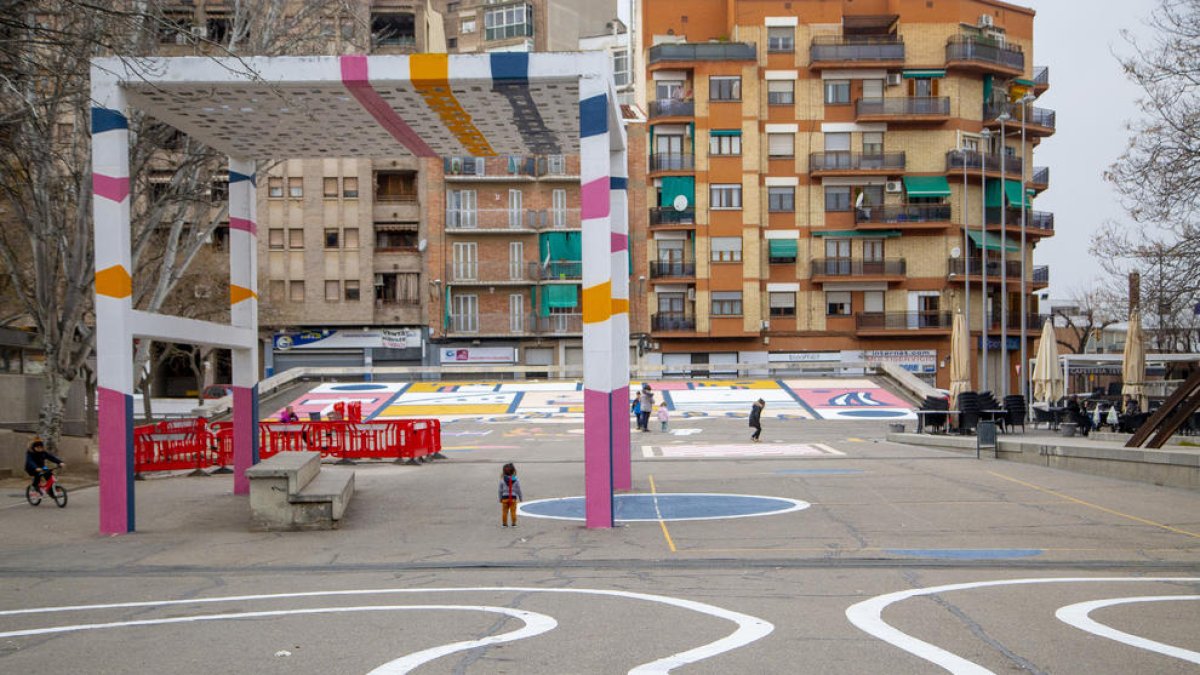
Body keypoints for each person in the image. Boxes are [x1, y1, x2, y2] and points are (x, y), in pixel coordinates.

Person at [499, 462, 523, 527]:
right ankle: (514, 523)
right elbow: (519, 490)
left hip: (504, 498)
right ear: (513, 471)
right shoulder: (516, 480)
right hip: (513, 498)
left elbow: (500, 490)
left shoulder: (502, 480)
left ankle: (504, 523)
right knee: (513, 511)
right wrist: (521, 498)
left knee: (504, 511)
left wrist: (500, 498)